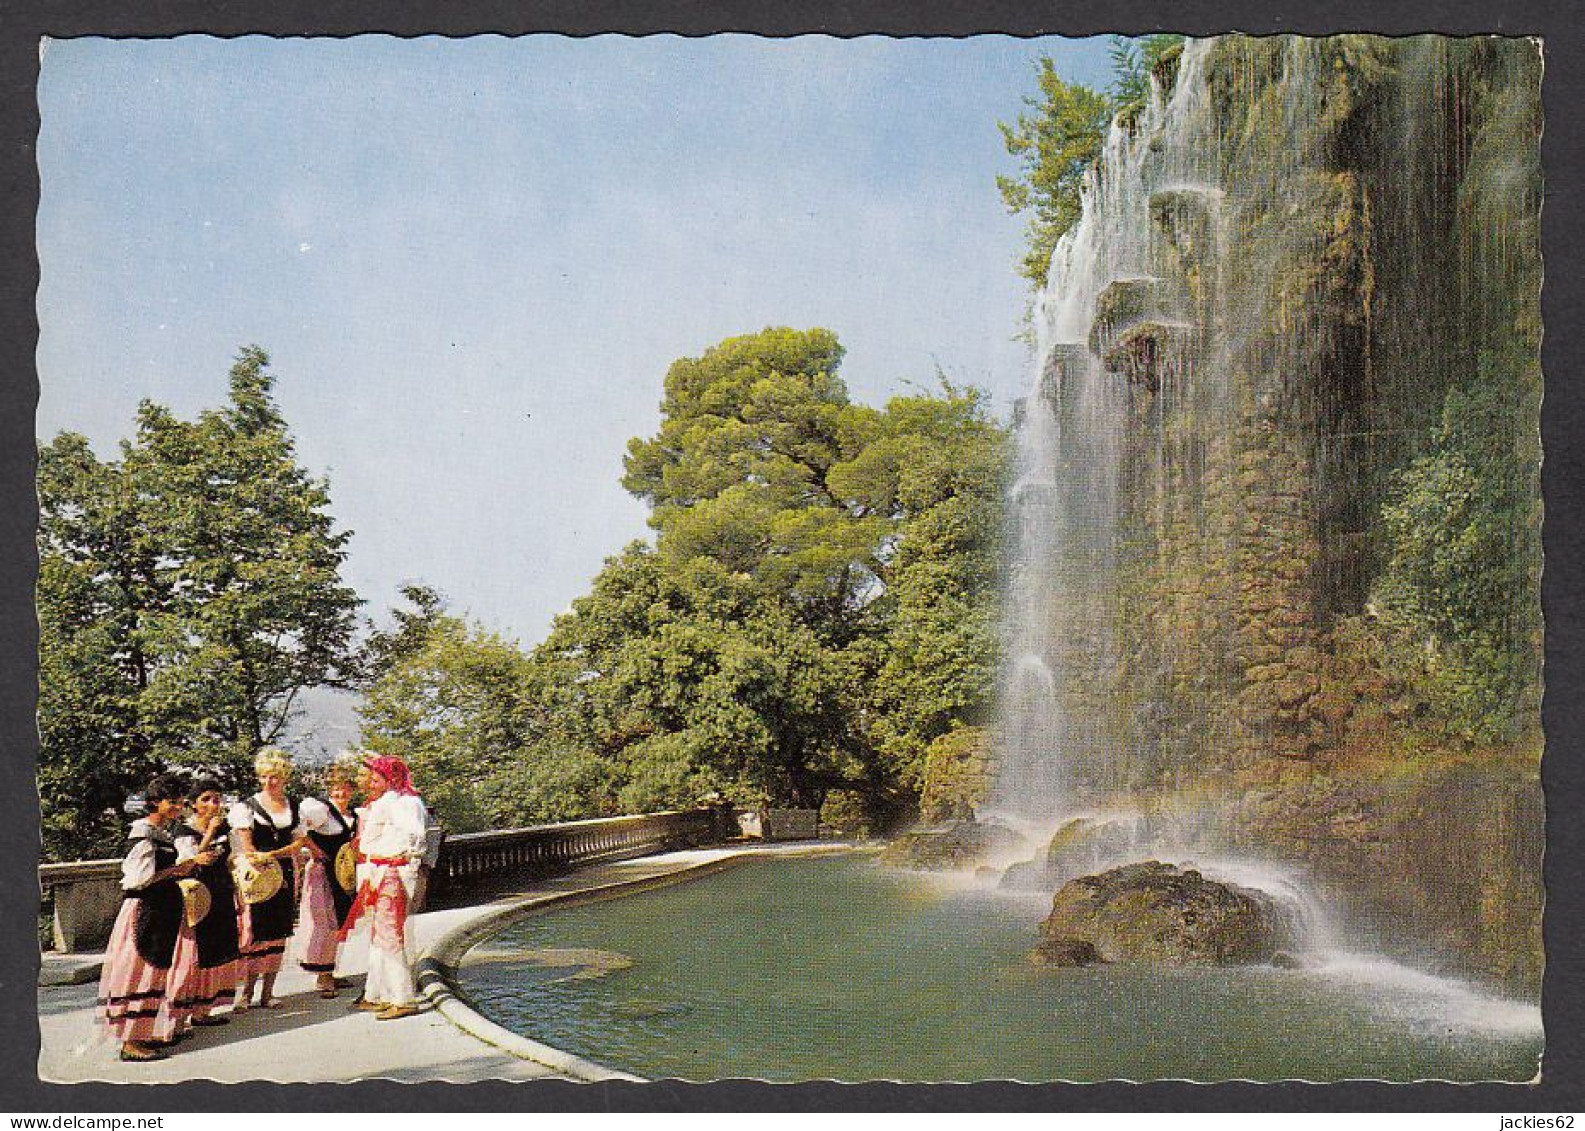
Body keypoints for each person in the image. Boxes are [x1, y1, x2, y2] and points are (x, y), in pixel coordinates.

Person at [97, 773, 216, 1062]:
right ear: (154, 803)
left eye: (180, 802)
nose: (178, 807)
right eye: (171, 802)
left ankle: (142, 1032)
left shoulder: (161, 834)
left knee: (154, 970)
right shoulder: (143, 834)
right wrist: (182, 867)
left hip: (161, 909)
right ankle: (130, 1041)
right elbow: (139, 880)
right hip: (144, 910)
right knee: (138, 969)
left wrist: (188, 865)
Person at [339, 754, 428, 1020]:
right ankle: (379, 993)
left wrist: (379, 850)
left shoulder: (394, 804)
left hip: (390, 871)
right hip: (388, 870)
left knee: (388, 935)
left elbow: (404, 839)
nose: (371, 783)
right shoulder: (408, 802)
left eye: (377, 778)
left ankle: (402, 997)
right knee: (381, 934)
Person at [229, 747, 309, 1010]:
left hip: (284, 872)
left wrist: (275, 855)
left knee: (279, 930)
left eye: (274, 776)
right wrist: (264, 859)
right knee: (256, 931)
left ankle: (268, 991)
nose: (268, 781)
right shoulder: (248, 807)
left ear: (284, 777)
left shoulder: (294, 807)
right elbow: (246, 844)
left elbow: (299, 843)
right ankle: (246, 992)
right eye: (264, 776)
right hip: (258, 875)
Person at [166, 777, 241, 1030]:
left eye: (216, 798)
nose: (213, 804)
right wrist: (208, 833)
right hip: (195, 895)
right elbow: (188, 860)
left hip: (220, 891)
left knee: (215, 950)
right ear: (194, 804)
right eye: (206, 799)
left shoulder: (225, 829)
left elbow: (231, 859)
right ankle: (177, 1017)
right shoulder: (184, 831)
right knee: (191, 953)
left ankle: (203, 1009)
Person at [296, 760, 359, 997]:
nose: (340, 793)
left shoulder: (353, 815)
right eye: (335, 789)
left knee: (339, 922)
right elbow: (299, 829)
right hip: (323, 874)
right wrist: (314, 849)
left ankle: (330, 970)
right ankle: (323, 977)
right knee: (325, 923)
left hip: (342, 875)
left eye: (344, 788)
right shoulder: (321, 811)